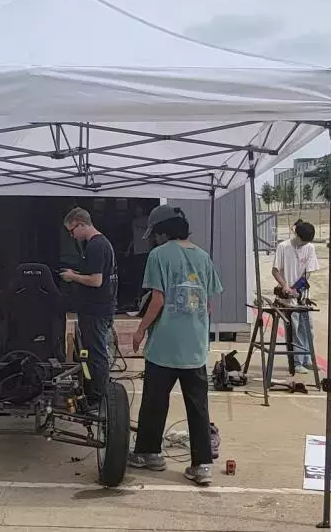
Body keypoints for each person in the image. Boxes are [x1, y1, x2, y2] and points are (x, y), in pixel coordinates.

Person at [129, 205, 223, 486]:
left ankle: (150, 454)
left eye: (155, 234)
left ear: (162, 232)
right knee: (198, 407)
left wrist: (140, 329)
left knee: (154, 402)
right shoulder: (203, 256)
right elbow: (207, 304)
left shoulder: (159, 255)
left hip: (165, 346)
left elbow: (157, 299)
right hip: (194, 347)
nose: (153, 239)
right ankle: (202, 465)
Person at [60, 207, 117, 408]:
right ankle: (95, 393)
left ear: (81, 223)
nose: (72, 235)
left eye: (72, 230)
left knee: (96, 355)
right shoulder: (101, 245)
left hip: (96, 311)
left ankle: (99, 398)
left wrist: (72, 276)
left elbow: (95, 280)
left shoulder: (95, 246)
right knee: (93, 353)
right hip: (97, 309)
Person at [271, 219, 320, 374]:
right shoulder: (283, 247)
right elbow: (275, 270)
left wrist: (298, 289)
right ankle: (296, 361)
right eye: (302, 240)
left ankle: (307, 359)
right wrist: (285, 286)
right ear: (296, 235)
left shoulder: (310, 248)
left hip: (301, 294)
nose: (304, 244)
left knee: (308, 328)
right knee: (294, 328)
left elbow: (309, 271)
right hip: (287, 296)